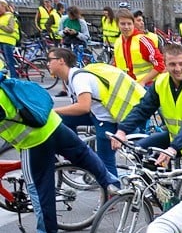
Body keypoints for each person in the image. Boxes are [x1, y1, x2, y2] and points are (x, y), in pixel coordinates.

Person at [2, 76, 119, 233]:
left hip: (34, 141)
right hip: (55, 124)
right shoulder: (7, 83)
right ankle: (110, 183)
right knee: (83, 154)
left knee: (40, 189)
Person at [112, 44, 182, 174]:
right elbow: (143, 108)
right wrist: (122, 130)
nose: (178, 69)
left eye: (181, 64)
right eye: (172, 64)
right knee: (139, 150)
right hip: (177, 140)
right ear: (165, 65)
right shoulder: (161, 83)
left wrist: (172, 149)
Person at [50, 48, 144, 178]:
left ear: (61, 61)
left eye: (50, 60)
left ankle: (113, 192)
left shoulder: (79, 79)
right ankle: (75, 153)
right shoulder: (71, 78)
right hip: (100, 113)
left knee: (106, 160)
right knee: (62, 117)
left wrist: (53, 111)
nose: (47, 64)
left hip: (107, 118)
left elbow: (84, 107)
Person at [114, 8, 163, 86]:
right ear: (117, 25)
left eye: (129, 24)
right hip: (126, 85)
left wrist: (143, 82)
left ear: (133, 24)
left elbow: (160, 64)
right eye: (123, 24)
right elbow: (117, 65)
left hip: (146, 86)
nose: (126, 27)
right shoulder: (118, 42)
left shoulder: (142, 40)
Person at [0, 0, 19, 78]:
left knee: (9, 61)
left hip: (8, 41)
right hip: (2, 41)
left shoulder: (9, 16)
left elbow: (10, 29)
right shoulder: (1, 17)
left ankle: (14, 77)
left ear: (4, 6)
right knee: (7, 61)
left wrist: (1, 26)